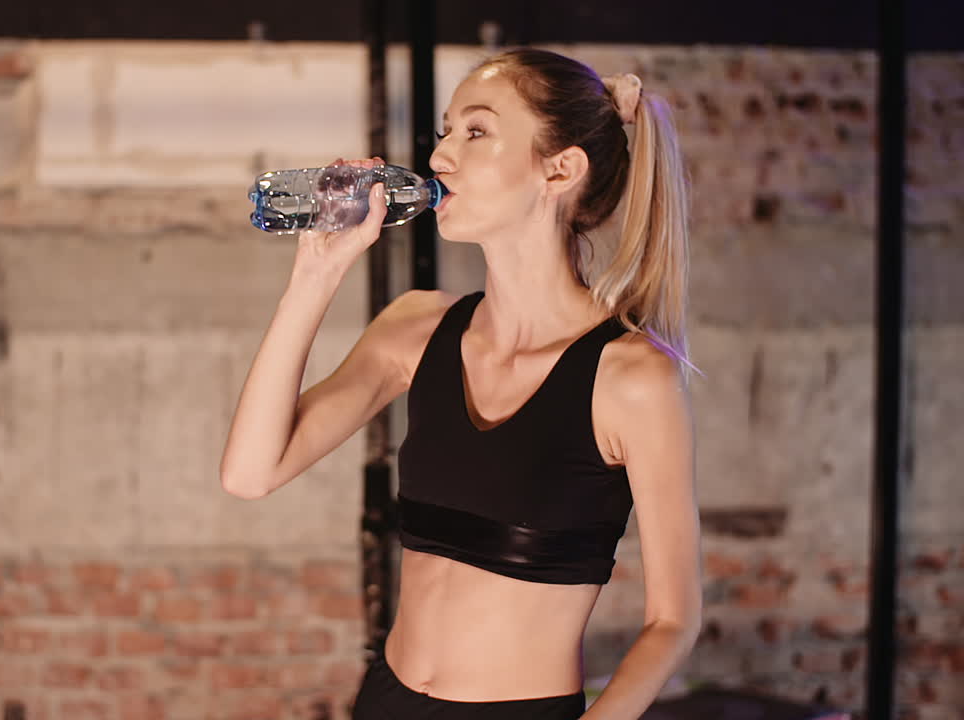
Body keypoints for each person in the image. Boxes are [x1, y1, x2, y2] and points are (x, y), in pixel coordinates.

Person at [220, 47, 701, 720]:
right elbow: (249, 472)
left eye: (475, 132)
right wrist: (317, 272)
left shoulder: (632, 378)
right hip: (385, 701)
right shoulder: (416, 327)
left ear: (559, 169)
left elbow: (674, 621)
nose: (441, 156)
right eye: (446, 131)